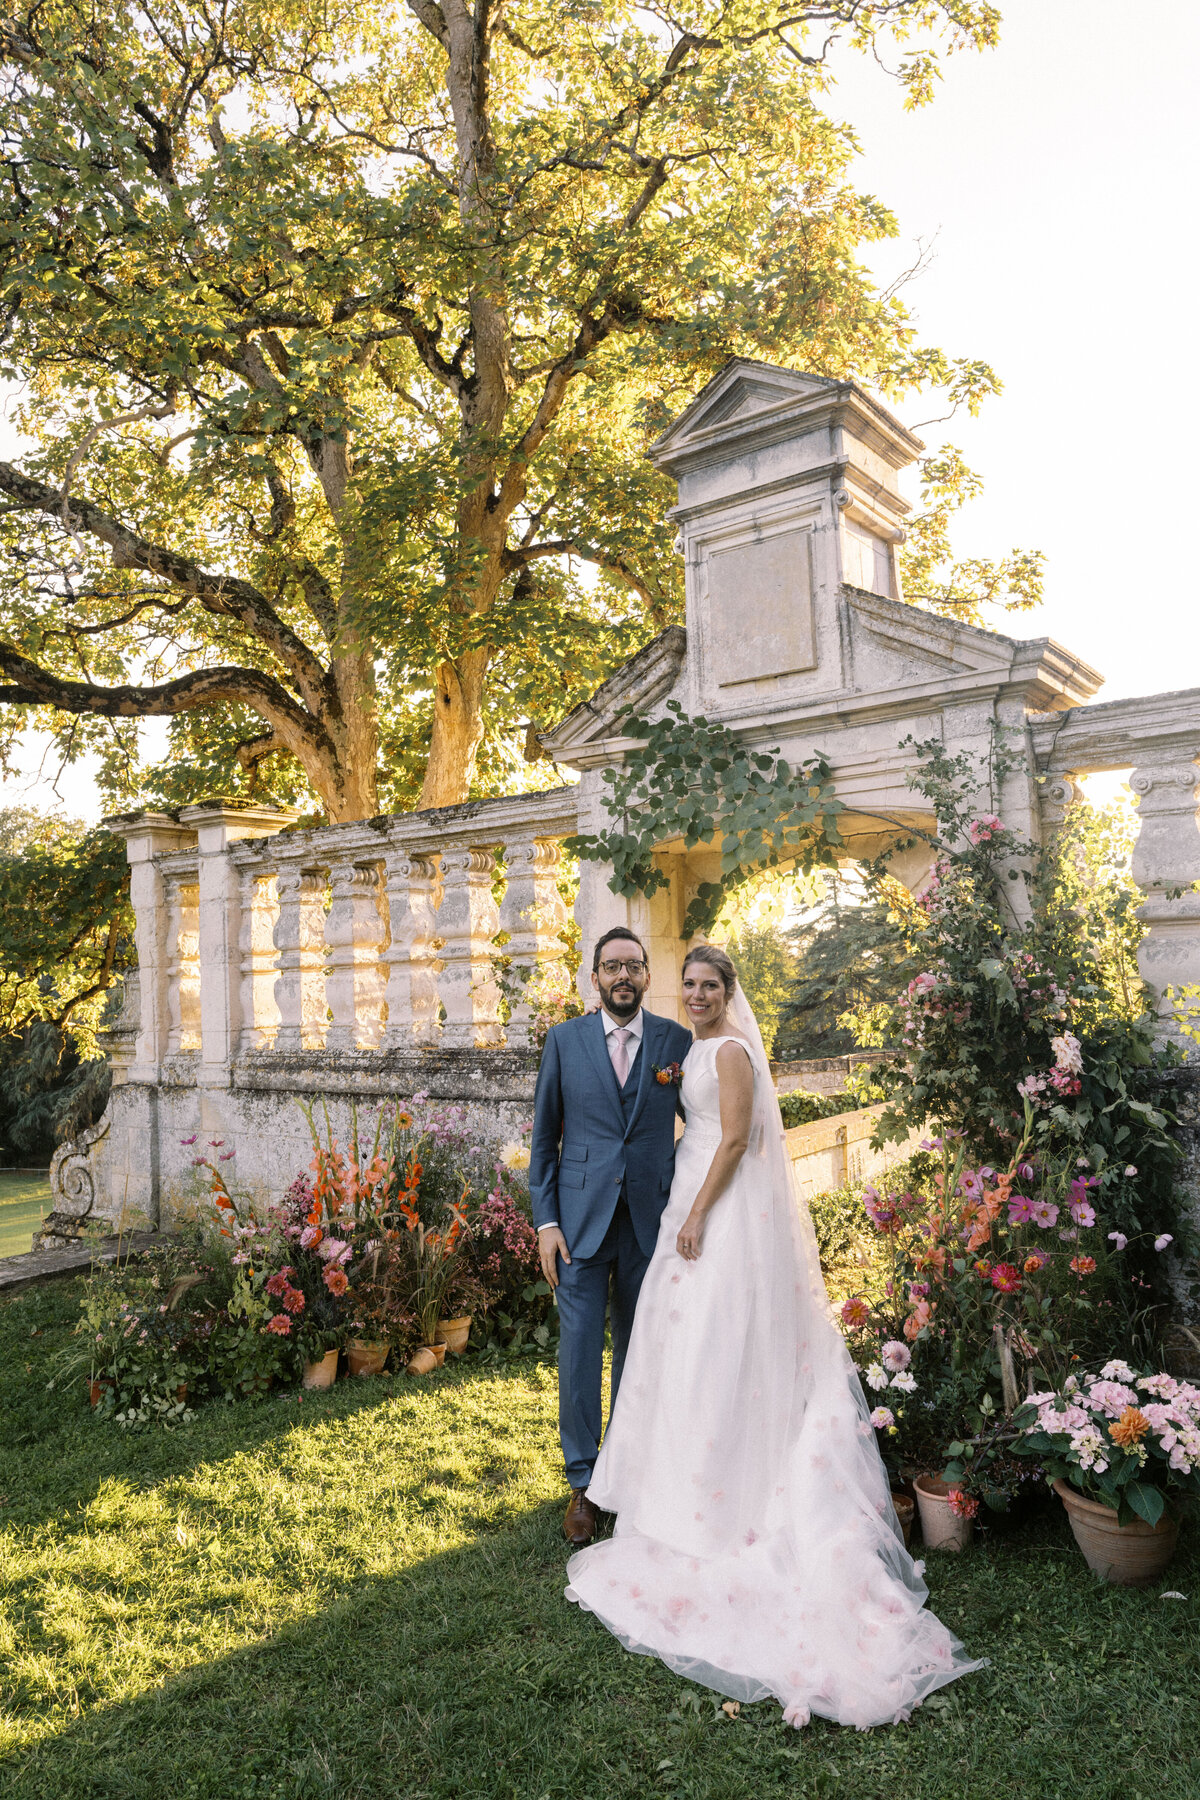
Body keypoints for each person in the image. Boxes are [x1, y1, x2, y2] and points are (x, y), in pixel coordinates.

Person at [564, 943, 985, 1729]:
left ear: (730, 991)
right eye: (687, 984)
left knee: (709, 1348)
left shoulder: (729, 1053)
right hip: (692, 1200)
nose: (695, 995)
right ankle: (678, 1485)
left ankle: (720, 1497)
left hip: (711, 1213)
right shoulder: (691, 1047)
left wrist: (693, 1217)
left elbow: (729, 1141)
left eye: (708, 985)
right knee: (683, 1348)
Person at [530, 928, 692, 1548]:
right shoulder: (565, 1041)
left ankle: (622, 1474)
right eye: (611, 966)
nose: (623, 975)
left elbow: (699, 1125)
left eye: (633, 965)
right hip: (578, 1226)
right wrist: (546, 1222)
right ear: (594, 976)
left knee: (636, 1348)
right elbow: (545, 1141)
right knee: (578, 1350)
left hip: (651, 1223)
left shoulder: (675, 1042)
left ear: (647, 975)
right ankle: (581, 1481)